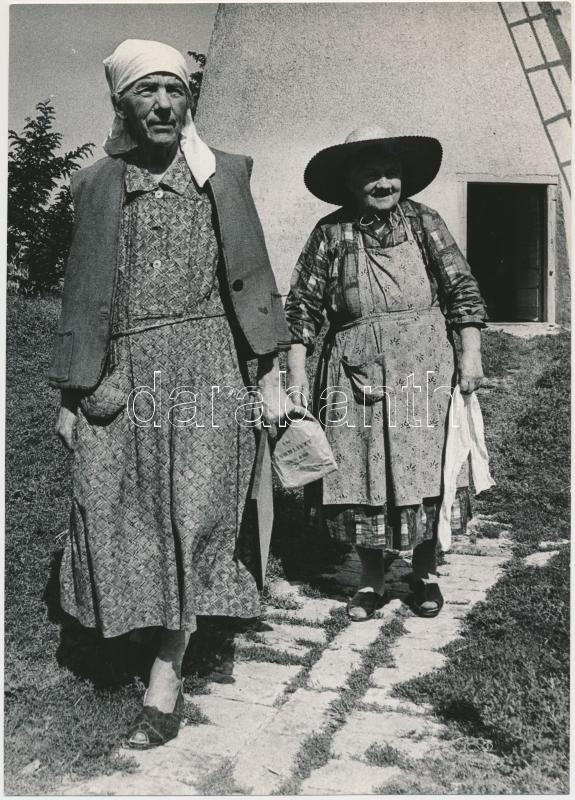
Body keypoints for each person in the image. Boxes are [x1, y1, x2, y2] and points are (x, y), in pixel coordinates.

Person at [48, 39, 292, 748]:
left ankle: (168, 667)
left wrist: (268, 373)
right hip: (124, 367)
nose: (162, 104)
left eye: (175, 90)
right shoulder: (95, 184)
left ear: (190, 100)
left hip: (207, 363)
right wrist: (71, 396)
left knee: (195, 511)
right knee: (114, 504)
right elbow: (81, 292)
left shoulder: (225, 174)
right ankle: (145, 624)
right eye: (146, 91)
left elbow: (252, 273)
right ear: (121, 102)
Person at [284, 127, 488, 622]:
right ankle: (371, 581)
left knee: (428, 470)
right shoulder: (331, 233)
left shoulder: (424, 222)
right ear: (350, 182)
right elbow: (303, 308)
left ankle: (424, 575)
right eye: (371, 175)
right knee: (362, 474)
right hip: (354, 375)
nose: (383, 183)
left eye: (391, 173)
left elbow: (461, 289)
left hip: (425, 371)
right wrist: (295, 378)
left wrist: (471, 354)